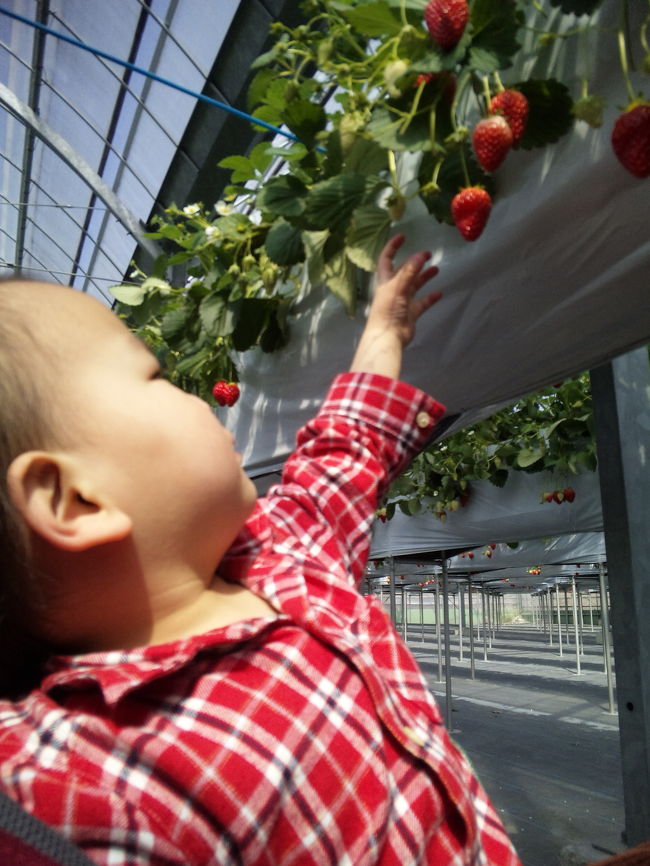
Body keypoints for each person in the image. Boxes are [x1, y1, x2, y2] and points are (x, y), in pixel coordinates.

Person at [0, 235, 522, 865]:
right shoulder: (84, 775)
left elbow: (344, 448)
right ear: (74, 500)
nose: (199, 398)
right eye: (155, 376)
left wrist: (382, 333)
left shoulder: (282, 554)